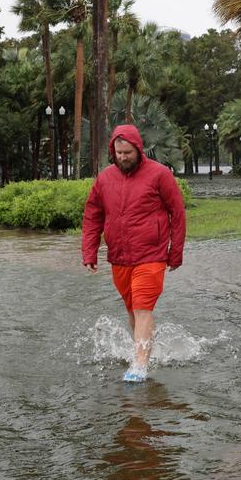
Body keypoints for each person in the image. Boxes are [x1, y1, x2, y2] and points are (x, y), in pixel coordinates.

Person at [82, 124, 186, 383]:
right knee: (132, 309)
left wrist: (176, 252)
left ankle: (140, 364)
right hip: (119, 256)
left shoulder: (159, 174)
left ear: (138, 149)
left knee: (141, 307)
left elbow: (178, 213)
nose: (123, 157)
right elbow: (92, 215)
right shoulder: (105, 178)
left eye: (127, 152)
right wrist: (89, 252)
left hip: (152, 254)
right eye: (118, 153)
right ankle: (145, 347)